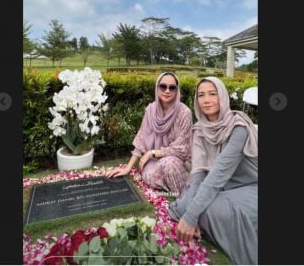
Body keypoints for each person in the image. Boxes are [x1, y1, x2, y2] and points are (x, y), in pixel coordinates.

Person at [168, 77, 258, 265]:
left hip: (251, 185)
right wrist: (190, 212)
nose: (206, 100)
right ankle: (200, 220)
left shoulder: (238, 128)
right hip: (225, 184)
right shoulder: (200, 130)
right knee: (187, 202)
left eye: (212, 93)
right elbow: (199, 173)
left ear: (223, 96)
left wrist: (192, 217)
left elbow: (217, 175)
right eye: (201, 95)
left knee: (209, 208)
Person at [106, 72, 192, 195]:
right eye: (163, 86)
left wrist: (151, 153)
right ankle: (168, 186)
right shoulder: (151, 110)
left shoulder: (184, 113)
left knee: (169, 164)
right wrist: (127, 168)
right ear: (157, 88)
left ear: (177, 91)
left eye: (172, 87)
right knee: (150, 175)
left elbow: (182, 149)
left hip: (177, 161)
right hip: (154, 164)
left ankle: (180, 194)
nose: (167, 91)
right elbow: (141, 138)